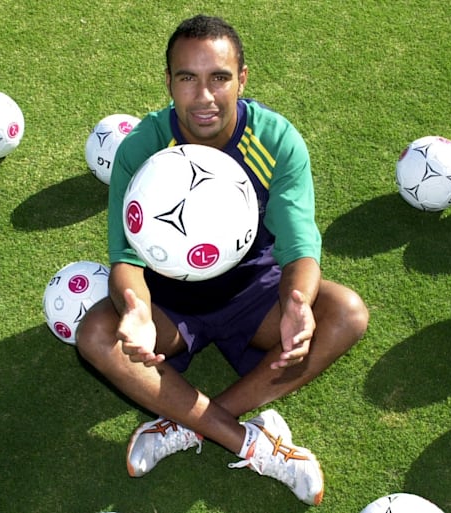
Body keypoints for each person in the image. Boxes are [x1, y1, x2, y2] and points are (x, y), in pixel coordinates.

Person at [76, 14, 368, 506]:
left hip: (254, 292)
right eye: (187, 78)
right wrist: (137, 311)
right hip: (167, 298)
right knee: (95, 335)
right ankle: (251, 443)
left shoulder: (275, 140)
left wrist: (298, 302)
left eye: (219, 77)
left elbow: (299, 244)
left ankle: (185, 424)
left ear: (243, 79)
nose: (204, 96)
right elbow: (125, 255)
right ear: (168, 82)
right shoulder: (142, 148)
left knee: (345, 314)